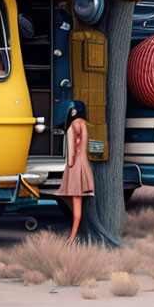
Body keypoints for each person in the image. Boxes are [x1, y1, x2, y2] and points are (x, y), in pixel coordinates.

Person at [57, 101, 95, 244]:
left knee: (73, 201)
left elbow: (71, 151)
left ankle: (72, 238)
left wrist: (70, 164)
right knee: (69, 197)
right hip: (84, 165)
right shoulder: (84, 125)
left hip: (74, 167)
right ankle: (75, 234)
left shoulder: (72, 126)